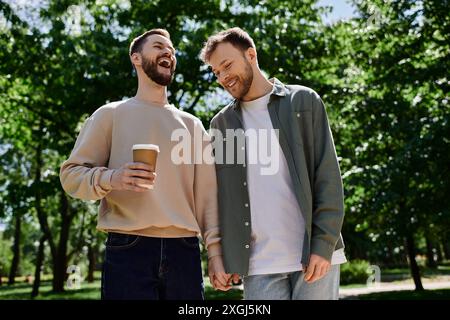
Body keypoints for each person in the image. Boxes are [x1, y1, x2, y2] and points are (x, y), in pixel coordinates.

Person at [60, 28, 229, 300]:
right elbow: (71, 176)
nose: (168, 53)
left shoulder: (192, 125)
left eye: (172, 51)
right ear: (136, 58)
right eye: (159, 46)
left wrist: (215, 253)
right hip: (128, 249)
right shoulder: (110, 115)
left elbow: (207, 198)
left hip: (183, 251)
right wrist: (111, 178)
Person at [200, 27, 347, 300]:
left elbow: (326, 176)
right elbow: (220, 197)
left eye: (227, 65)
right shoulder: (220, 124)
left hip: (314, 255)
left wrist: (323, 244)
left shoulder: (303, 101)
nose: (222, 77)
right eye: (216, 73)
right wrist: (221, 255)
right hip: (258, 265)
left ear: (251, 55)